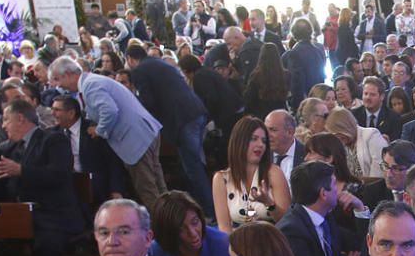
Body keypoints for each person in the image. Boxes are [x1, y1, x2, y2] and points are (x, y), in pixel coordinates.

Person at [49, 56, 168, 212]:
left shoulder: (90, 85)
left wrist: (98, 130)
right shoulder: (93, 81)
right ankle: (170, 219)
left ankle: (164, 227)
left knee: (147, 188)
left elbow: (109, 110)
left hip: (134, 139)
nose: (59, 85)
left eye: (58, 79)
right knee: (159, 186)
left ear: (69, 73)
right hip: (144, 133)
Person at [0, 98, 85, 256]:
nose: (3, 126)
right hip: (19, 217)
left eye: (6, 120)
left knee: (45, 245)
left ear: (20, 118)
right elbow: (0, 183)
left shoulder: (53, 140)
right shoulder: (8, 147)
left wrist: (21, 171)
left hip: (53, 216)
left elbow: (58, 175)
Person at [125, 44, 213, 218]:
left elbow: (147, 102)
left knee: (193, 168)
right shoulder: (159, 63)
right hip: (195, 112)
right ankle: (209, 207)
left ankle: (209, 211)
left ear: (130, 59)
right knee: (196, 165)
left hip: (181, 120)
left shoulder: (140, 71)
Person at [277, 161, 361, 256]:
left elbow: (356, 243)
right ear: (323, 194)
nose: (339, 190)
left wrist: (360, 208)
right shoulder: (291, 232)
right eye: (334, 184)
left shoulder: (324, 216)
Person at [212, 116, 291, 234]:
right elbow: (224, 228)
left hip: (272, 242)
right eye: (254, 139)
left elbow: (287, 222)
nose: (260, 145)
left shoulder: (274, 173)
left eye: (264, 141)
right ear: (239, 141)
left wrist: (269, 203)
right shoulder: (221, 179)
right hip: (238, 246)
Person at [357, 139, 415, 212]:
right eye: (386, 166)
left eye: (396, 168)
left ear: (412, 169)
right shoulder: (372, 192)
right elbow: (365, 223)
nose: (389, 175)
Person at [325, 107, 388, 180]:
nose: (337, 138)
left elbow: (379, 175)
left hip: (373, 188)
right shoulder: (340, 145)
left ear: (347, 127)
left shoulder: (371, 135)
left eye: (338, 134)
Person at [282, 19, 326, 112]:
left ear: (294, 33)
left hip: (304, 103)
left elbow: (296, 82)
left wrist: (295, 106)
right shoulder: (319, 51)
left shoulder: (293, 53)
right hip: (319, 98)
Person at [244, 43, 290, 118]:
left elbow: (249, 98)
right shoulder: (286, 75)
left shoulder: (256, 75)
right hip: (281, 112)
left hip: (262, 114)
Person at [352, 76, 403, 143]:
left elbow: (397, 145)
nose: (368, 97)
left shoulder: (394, 118)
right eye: (365, 94)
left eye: (372, 94)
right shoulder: (353, 115)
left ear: (382, 96)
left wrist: (388, 143)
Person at [265, 109, 306, 183]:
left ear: (290, 132)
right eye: (265, 130)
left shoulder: (307, 156)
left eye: (273, 130)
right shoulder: (262, 156)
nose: (266, 135)